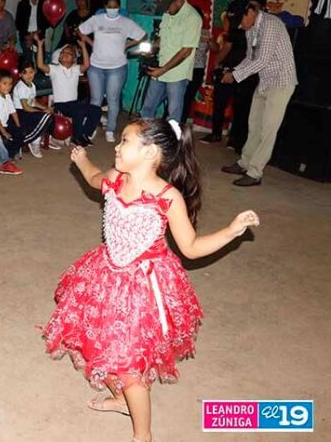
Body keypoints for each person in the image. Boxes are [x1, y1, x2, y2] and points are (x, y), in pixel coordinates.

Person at [43, 118, 260, 442]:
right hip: (106, 276)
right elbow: (92, 178)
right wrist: (81, 158)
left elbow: (191, 247)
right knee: (101, 344)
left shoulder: (168, 197)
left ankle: (142, 436)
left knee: (131, 367)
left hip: (143, 289)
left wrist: (230, 231)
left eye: (125, 141)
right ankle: (120, 400)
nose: (116, 146)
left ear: (151, 152)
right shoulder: (117, 178)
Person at [220, 0, 297, 187]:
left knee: (267, 130)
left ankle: (255, 173)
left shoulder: (271, 24)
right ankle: (244, 163)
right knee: (253, 125)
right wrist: (232, 71)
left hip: (281, 83)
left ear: (250, 12)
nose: (240, 25)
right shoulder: (251, 28)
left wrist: (235, 76)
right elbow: (250, 57)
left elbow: (262, 59)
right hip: (264, 82)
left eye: (240, 21)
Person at [78, 0, 146, 142]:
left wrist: (128, 44)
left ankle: (110, 129)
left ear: (119, 7)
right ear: (105, 7)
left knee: (112, 99)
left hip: (117, 67)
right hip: (96, 66)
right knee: (95, 99)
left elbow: (143, 35)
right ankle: (92, 127)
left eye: (115, 7)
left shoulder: (125, 22)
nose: (112, 9)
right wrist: (91, 43)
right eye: (109, 6)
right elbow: (81, 30)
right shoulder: (97, 19)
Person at [140, 0, 202, 123]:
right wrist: (151, 47)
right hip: (160, 68)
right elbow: (163, 38)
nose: (166, 11)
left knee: (173, 113)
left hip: (177, 75)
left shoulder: (192, 18)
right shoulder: (168, 13)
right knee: (147, 108)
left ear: (178, 1)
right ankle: (145, 140)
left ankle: (172, 142)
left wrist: (163, 69)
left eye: (168, 7)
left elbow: (186, 51)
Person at [201, 0, 252, 146]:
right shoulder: (243, 27)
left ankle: (223, 136)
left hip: (236, 71)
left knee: (228, 105)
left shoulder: (242, 29)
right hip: (237, 70)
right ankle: (231, 139)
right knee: (233, 106)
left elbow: (227, 49)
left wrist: (217, 63)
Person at [34, 33, 100, 146]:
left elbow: (86, 64)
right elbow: (40, 65)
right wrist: (40, 46)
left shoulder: (75, 69)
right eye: (62, 53)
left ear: (74, 59)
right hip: (61, 105)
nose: (64, 54)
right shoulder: (55, 69)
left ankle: (85, 134)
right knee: (79, 110)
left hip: (73, 103)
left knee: (96, 110)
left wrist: (83, 46)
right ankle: (77, 137)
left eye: (69, 53)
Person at [13, 58, 53, 157]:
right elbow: (26, 107)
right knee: (45, 117)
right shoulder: (21, 87)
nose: (29, 75)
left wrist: (44, 108)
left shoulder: (32, 85)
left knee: (48, 114)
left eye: (31, 72)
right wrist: (41, 112)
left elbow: (32, 101)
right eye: (25, 73)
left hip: (27, 110)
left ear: (34, 71)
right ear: (20, 75)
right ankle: (32, 140)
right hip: (20, 113)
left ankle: (37, 138)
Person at [0, 69, 25, 160]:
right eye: (4, 83)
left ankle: (9, 155)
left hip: (4, 124)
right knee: (4, 138)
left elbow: (13, 111)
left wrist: (18, 125)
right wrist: (4, 132)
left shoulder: (7, 95)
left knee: (21, 133)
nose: (8, 87)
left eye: (10, 84)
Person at [181, 6, 208, 124]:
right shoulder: (183, 30)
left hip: (197, 69)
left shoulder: (205, 33)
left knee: (188, 98)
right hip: (183, 67)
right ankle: (169, 120)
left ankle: (181, 123)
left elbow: (215, 47)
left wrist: (208, 41)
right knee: (176, 95)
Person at [15, 0, 50, 65]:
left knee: (40, 61)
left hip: (39, 35)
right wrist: (28, 36)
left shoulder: (44, 3)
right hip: (25, 36)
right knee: (28, 62)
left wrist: (38, 31)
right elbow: (18, 23)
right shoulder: (22, 4)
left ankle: (40, 78)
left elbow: (47, 21)